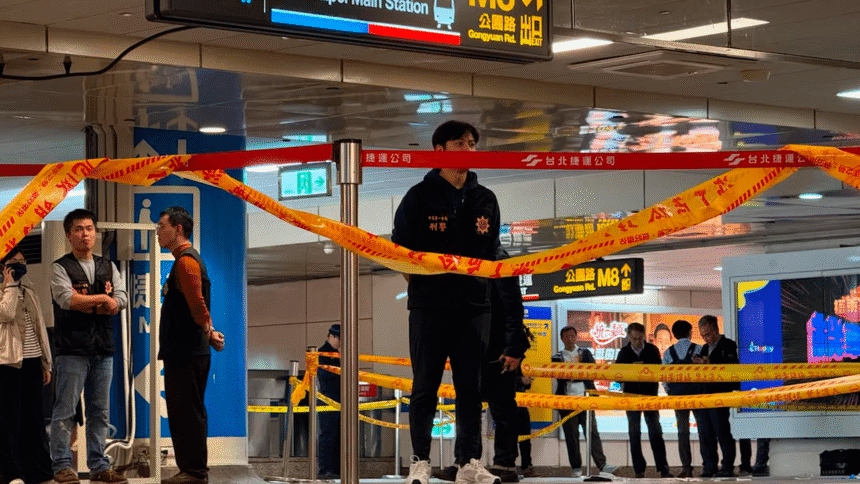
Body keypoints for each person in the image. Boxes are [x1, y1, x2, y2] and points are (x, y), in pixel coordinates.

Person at [392, 120, 501, 484]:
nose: (468, 150)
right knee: (425, 386)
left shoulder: (485, 198)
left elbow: (489, 252)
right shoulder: (419, 196)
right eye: (460, 143)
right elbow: (400, 252)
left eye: (472, 143)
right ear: (439, 150)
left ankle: (469, 461)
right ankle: (420, 461)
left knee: (471, 387)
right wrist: (424, 288)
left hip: (474, 307)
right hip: (430, 308)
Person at [50, 209, 129, 484]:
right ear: (69, 235)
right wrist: (103, 301)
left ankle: (98, 466)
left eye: (89, 228)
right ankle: (61, 465)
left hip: (103, 350)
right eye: (79, 229)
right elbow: (66, 299)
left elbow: (121, 298)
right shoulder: (60, 267)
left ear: (95, 232)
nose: (85, 234)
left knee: (100, 411)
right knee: (65, 411)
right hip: (71, 350)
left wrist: (107, 302)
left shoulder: (108, 266)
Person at [156, 206, 225, 484]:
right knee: (183, 410)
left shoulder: (186, 261)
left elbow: (197, 303)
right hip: (184, 350)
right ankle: (190, 469)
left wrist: (208, 331)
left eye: (162, 226)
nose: (158, 231)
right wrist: (209, 332)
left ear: (178, 229)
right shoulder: (183, 261)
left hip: (187, 351)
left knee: (187, 411)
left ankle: (195, 472)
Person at [0, 247, 52, 484]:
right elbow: (6, 314)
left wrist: (46, 362)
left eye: (22, 261)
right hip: (8, 363)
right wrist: (9, 286)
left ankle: (38, 472)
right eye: (14, 261)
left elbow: (39, 326)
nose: (20, 265)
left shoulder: (29, 289)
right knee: (10, 421)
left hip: (33, 361)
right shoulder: (4, 290)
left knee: (35, 420)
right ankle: (12, 473)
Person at [483, 273, 530, 483]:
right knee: (470, 405)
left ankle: (505, 463)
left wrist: (512, 348)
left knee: (502, 408)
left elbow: (513, 309)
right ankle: (465, 460)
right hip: (480, 344)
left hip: (498, 348)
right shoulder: (471, 258)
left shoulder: (499, 263)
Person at [614, 322, 672, 479]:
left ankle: (663, 468)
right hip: (631, 398)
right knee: (634, 434)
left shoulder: (652, 350)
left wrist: (645, 369)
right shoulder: (624, 353)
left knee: (655, 433)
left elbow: (659, 372)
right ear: (629, 337)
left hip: (650, 396)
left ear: (645, 336)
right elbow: (616, 375)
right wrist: (631, 370)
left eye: (640, 338)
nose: (638, 342)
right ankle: (639, 470)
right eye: (634, 339)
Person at [551, 326, 607, 477]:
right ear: (562, 338)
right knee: (572, 436)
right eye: (567, 336)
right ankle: (576, 467)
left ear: (576, 337)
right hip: (566, 401)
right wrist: (575, 372)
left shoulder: (585, 352)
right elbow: (559, 376)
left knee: (592, 433)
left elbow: (593, 370)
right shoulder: (556, 356)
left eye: (572, 336)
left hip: (586, 399)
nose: (570, 339)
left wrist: (575, 372)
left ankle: (602, 465)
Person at [693, 315, 739, 478]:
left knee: (722, 431)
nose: (706, 338)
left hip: (720, 394)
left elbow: (731, 368)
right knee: (705, 433)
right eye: (703, 335)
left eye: (708, 334)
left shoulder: (729, 345)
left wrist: (710, 364)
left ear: (716, 330)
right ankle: (709, 466)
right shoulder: (704, 348)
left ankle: (727, 466)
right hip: (705, 395)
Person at [661, 320, 701, 478]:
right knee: (704, 430)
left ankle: (686, 467)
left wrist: (669, 392)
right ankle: (708, 465)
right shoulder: (698, 348)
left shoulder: (669, 352)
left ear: (675, 335)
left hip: (678, 396)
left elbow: (664, 378)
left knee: (682, 432)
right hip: (698, 395)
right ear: (690, 332)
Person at [317, 324, 342, 480]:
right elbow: (325, 376)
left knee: (337, 435)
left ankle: (334, 468)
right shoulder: (323, 353)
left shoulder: (336, 354)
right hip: (328, 399)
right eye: (338, 339)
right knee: (328, 435)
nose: (339, 342)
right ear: (331, 336)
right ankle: (325, 469)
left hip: (337, 400)